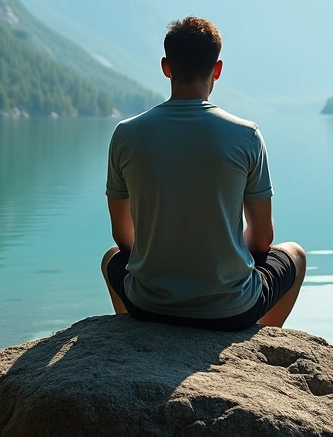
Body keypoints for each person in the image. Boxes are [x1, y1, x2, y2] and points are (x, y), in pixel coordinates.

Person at [101, 16, 306, 331]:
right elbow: (263, 239)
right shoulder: (246, 135)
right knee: (295, 254)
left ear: (166, 67)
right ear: (218, 69)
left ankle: (132, 334)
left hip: (147, 305)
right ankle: (259, 338)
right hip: (231, 311)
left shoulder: (125, 134)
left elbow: (123, 236)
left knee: (110, 257)